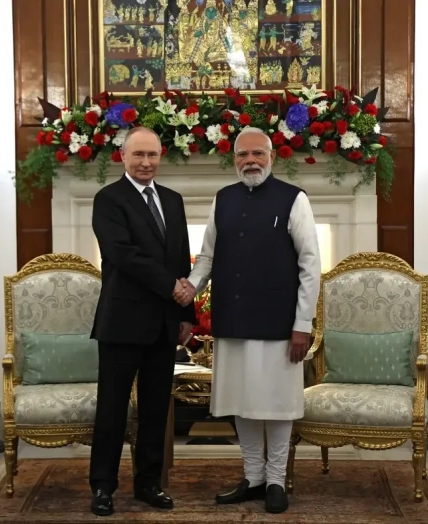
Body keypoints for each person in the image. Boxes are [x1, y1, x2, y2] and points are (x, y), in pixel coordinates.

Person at [179, 127, 321, 513]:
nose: (251, 161)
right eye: (243, 155)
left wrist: (303, 324)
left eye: (258, 153)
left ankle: (276, 480)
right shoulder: (222, 199)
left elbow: (310, 266)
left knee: (277, 404)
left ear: (272, 157)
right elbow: (207, 257)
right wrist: (190, 288)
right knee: (241, 401)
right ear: (234, 159)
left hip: (280, 324)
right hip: (232, 319)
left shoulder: (294, 199)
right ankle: (253, 476)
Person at [89, 126, 195, 516]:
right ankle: (103, 486)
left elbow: (181, 256)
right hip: (122, 322)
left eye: (152, 155)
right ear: (123, 157)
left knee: (155, 410)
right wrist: (172, 287)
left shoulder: (173, 200)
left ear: (161, 156)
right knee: (112, 410)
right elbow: (123, 254)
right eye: (138, 155)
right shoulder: (108, 199)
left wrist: (187, 313)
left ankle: (148, 483)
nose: (146, 162)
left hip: (164, 323)